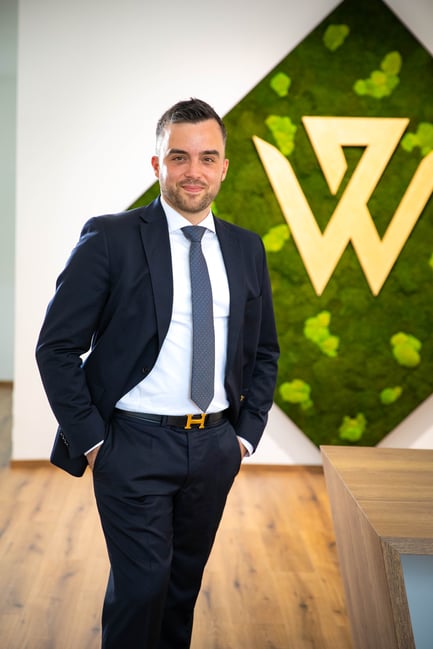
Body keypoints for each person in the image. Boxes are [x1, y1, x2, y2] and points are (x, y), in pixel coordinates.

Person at [36, 97, 279, 649]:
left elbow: (264, 350)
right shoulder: (111, 238)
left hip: (215, 447)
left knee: (179, 592)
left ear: (223, 167)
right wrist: (94, 441)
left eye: (207, 158)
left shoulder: (246, 248)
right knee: (141, 589)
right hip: (132, 445)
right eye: (179, 157)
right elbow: (56, 348)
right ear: (156, 165)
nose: (194, 171)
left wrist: (244, 436)